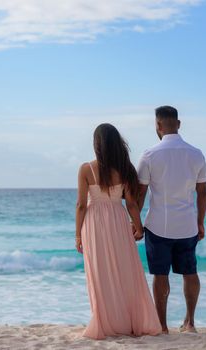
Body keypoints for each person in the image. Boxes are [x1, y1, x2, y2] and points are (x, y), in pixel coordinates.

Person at [75, 123, 162, 340]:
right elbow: (132, 204)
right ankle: (128, 321)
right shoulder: (125, 169)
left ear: (97, 144)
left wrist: (77, 235)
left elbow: (81, 205)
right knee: (125, 271)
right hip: (118, 220)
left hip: (94, 223)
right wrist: (139, 227)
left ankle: (106, 321)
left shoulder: (87, 168)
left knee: (100, 273)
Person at [137, 106, 206, 334]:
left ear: (158, 126)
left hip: (158, 226)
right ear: (178, 124)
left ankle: (163, 325)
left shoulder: (149, 155)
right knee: (190, 272)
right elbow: (203, 193)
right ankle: (190, 323)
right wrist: (200, 222)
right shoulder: (196, 154)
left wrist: (135, 223)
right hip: (187, 226)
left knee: (160, 275)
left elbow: (140, 193)